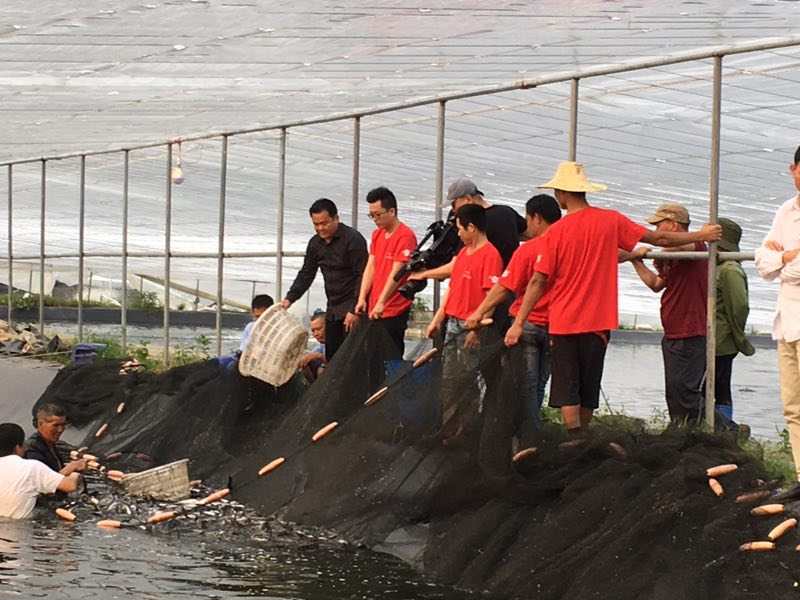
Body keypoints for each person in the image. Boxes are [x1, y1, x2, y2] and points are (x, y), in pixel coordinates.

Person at [505, 161, 721, 437]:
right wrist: (702, 234)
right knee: (589, 385)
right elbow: (660, 239)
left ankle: (574, 438)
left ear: (562, 193)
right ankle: (584, 436)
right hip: (598, 320)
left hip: (563, 321)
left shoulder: (556, 232)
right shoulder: (611, 220)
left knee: (567, 385)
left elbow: (539, 280)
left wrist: (518, 322)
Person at [466, 194, 561, 441]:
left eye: (528, 220)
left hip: (526, 325)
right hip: (557, 325)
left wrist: (478, 312)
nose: (526, 227)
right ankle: (532, 433)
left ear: (536, 218)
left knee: (525, 386)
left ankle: (527, 438)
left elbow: (505, 287)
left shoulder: (528, 250)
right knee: (540, 384)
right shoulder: (567, 246)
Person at [623, 202, 709, 425]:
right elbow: (655, 283)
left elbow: (678, 247)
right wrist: (636, 260)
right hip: (672, 330)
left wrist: (649, 250)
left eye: (659, 226)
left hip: (690, 329)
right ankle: (679, 429)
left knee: (687, 392)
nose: (656, 232)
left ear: (673, 225)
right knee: (673, 391)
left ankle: (724, 429)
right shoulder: (672, 258)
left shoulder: (695, 243)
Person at [426, 204, 503, 440]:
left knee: (468, 377)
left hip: (472, 326)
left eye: (460, 228)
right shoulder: (462, 254)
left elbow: (492, 297)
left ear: (472, 227)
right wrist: (438, 318)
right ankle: (449, 425)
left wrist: (476, 329)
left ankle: (466, 429)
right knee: (450, 377)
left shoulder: (490, 255)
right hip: (453, 323)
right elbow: (453, 289)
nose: (458, 233)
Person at [755, 145, 800, 494]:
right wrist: (787, 255)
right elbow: (763, 263)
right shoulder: (786, 211)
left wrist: (781, 259)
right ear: (793, 169)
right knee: (792, 405)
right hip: (786, 321)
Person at [282, 198, 368, 361]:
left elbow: (362, 276)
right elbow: (307, 273)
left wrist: (354, 309)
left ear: (336, 218)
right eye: (316, 224)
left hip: (353, 306)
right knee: (333, 357)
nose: (320, 228)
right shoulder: (315, 244)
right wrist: (289, 299)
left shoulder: (353, 239)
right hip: (333, 307)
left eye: (325, 223)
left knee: (353, 357)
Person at [355, 186, 418, 358]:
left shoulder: (405, 236)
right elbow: (371, 265)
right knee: (372, 357)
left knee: (390, 355)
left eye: (378, 214)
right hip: (374, 307)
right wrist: (362, 297)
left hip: (394, 307)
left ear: (391, 211)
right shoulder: (377, 235)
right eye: (371, 215)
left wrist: (382, 301)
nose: (375, 219)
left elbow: (397, 273)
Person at [715, 217, 755, 426]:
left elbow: (739, 307)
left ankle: (724, 427)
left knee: (720, 386)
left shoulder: (729, 269)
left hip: (722, 341)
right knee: (717, 386)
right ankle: (720, 425)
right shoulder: (720, 267)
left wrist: (737, 336)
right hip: (717, 339)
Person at [0, 423, 79, 519]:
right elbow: (70, 485)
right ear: (17, 447)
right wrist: (75, 470)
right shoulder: (31, 467)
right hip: (19, 531)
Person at [25, 404, 86, 476]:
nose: (60, 430)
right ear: (40, 424)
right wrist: (71, 468)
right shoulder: (32, 450)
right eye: (55, 425)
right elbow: (45, 483)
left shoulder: (52, 445)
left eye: (63, 425)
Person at [298, 310, 327, 382]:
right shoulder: (321, 346)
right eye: (313, 331)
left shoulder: (340, 343)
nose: (315, 334)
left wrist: (319, 356)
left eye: (319, 329)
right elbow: (310, 355)